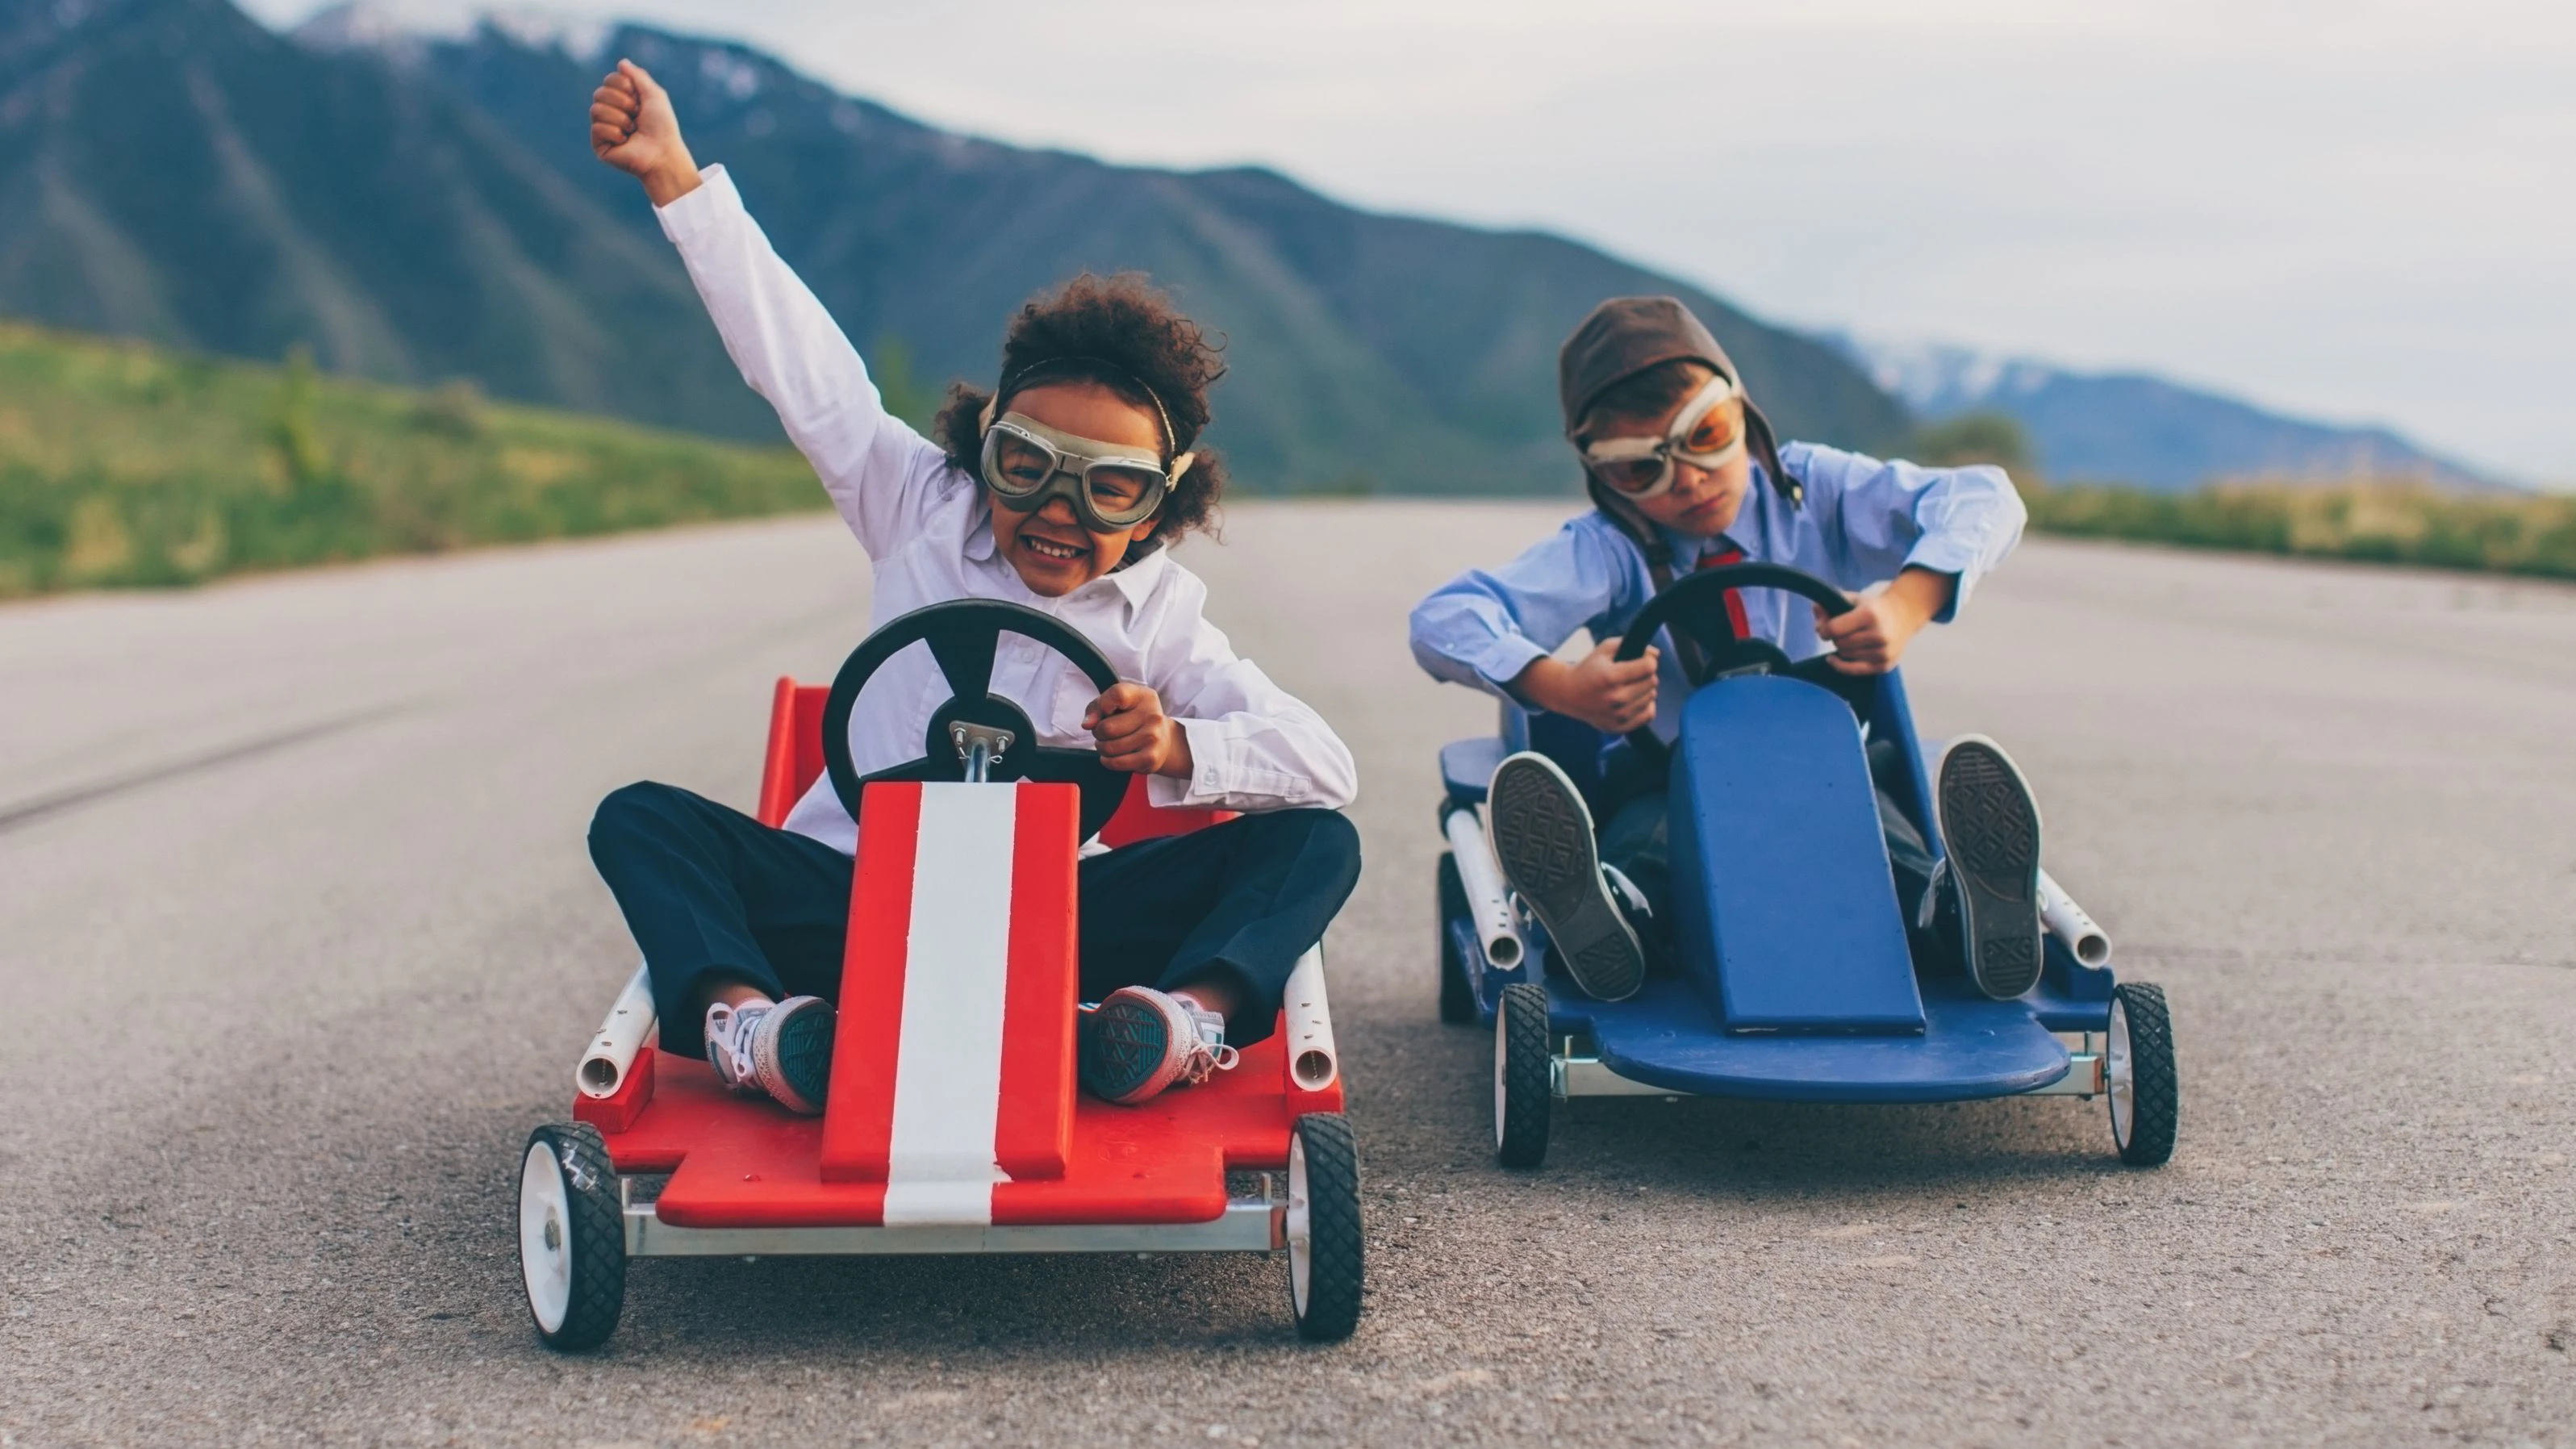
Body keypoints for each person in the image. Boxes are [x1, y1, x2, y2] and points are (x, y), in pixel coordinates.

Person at [581, 61, 1360, 1115]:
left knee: (1317, 840)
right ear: (982, 448)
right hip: (851, 908)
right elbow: (803, 369)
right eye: (1028, 466)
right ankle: (751, 1027)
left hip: (1053, 924)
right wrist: (676, 179)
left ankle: (1183, 1023)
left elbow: (1326, 765)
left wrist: (1179, 746)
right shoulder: (914, 507)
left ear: (1158, 506)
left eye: (1109, 488)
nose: (1059, 510)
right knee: (642, 819)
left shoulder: (1164, 616)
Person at [1409, 296, 2044, 1004]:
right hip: (1666, 777)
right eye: (1637, 470)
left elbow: (1985, 496)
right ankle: (1608, 916)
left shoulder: (1817, 492)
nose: (1686, 480)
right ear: (1600, 475)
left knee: (1877, 852)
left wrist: (1905, 603)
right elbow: (1442, 618)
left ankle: (1955, 912)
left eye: (1705, 434)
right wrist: (1559, 685)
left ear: (1741, 409)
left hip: (1833, 768)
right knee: (1650, 857)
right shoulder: (1605, 547)